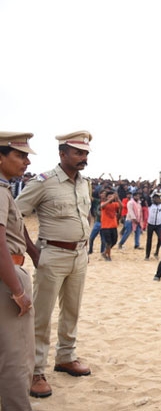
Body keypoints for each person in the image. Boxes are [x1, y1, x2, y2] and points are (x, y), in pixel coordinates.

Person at [16, 130, 94, 399]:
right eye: (78, 152)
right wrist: (33, 251)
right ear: (62, 154)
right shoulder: (44, 182)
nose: (83, 157)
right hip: (51, 256)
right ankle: (36, 370)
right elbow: (15, 216)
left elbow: (85, 214)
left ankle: (66, 357)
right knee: (41, 315)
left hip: (79, 256)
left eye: (85, 153)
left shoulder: (85, 183)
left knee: (72, 310)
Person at [0, 131, 36, 410]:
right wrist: (17, 290)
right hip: (8, 275)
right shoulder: (0, 192)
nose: (26, 162)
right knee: (16, 354)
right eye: (20, 155)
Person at [100, 189, 122, 261]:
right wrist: (111, 199)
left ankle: (105, 252)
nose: (111, 198)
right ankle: (108, 256)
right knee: (108, 242)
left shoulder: (115, 204)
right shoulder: (103, 203)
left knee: (114, 241)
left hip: (113, 225)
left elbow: (121, 206)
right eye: (109, 197)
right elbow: (102, 206)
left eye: (111, 196)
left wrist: (117, 198)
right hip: (105, 226)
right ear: (106, 198)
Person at [144, 192, 161, 260]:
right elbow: (147, 197)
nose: (156, 199)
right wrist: (151, 190)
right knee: (149, 240)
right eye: (155, 198)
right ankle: (147, 255)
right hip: (150, 224)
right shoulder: (150, 205)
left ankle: (156, 252)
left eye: (157, 198)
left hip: (159, 225)